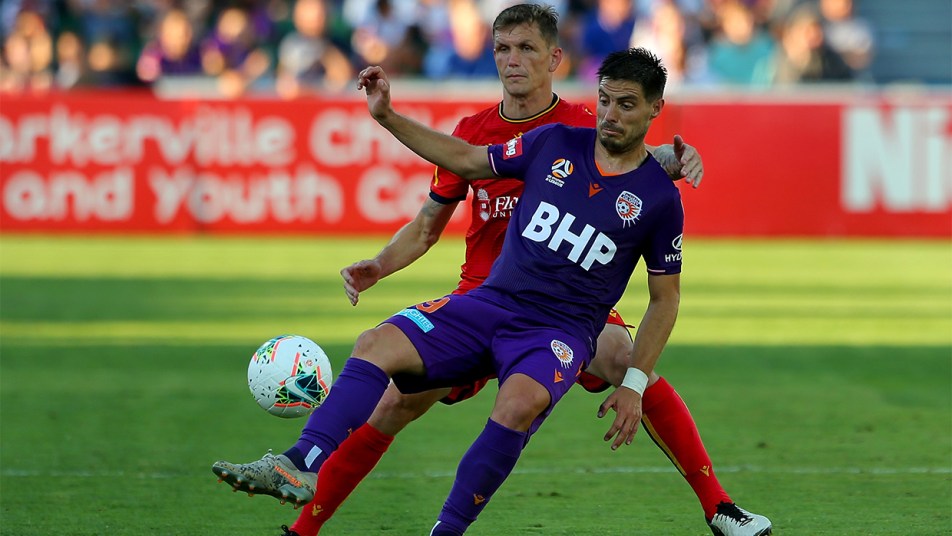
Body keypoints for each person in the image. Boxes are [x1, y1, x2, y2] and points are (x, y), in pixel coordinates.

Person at [212, 41, 769, 535]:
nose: (512, 60)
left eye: (526, 49)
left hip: (564, 325)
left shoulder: (644, 186)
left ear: (554, 59)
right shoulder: (545, 140)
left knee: (561, 385)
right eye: (502, 48)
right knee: (377, 357)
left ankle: (716, 505)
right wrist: (385, 120)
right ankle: (300, 465)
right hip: (485, 299)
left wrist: (674, 157)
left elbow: (665, 297)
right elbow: (458, 177)